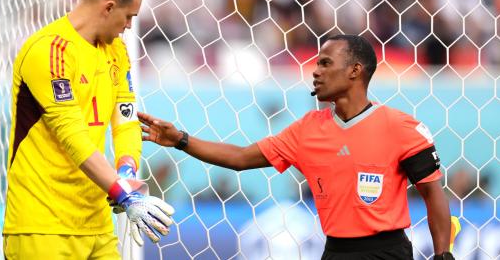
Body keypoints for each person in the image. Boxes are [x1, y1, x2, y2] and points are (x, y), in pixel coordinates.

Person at [137, 35, 455, 260]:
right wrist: (180, 139)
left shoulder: (402, 128)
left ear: (356, 70)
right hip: (336, 251)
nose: (315, 71)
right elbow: (240, 158)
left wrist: (443, 255)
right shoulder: (307, 130)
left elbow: (432, 193)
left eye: (326, 63)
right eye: (316, 63)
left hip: (389, 252)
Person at [3, 0, 174, 259]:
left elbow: (126, 121)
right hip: (43, 224)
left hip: (96, 223)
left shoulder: (117, 52)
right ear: (108, 8)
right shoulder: (48, 51)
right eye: (129, 16)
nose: (129, 27)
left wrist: (126, 171)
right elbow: (72, 136)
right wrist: (124, 193)